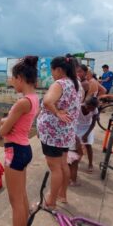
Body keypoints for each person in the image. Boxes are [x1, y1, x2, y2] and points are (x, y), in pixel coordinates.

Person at [0, 56, 39, 226]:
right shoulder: (33, 98)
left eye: (13, 78)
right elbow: (17, 123)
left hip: (14, 151)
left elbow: (3, 131)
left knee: (15, 202)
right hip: (24, 148)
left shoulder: (22, 102)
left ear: (20, 78)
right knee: (21, 196)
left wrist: (3, 123)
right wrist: (7, 121)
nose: (11, 82)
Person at [37, 55, 81, 208]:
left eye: (52, 70)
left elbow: (48, 101)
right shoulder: (76, 84)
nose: (52, 74)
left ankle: (51, 201)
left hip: (53, 134)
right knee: (63, 165)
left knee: (55, 168)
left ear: (59, 70)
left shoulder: (60, 83)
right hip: (65, 133)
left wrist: (56, 112)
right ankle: (62, 195)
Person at [76, 97, 99, 173]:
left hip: (87, 127)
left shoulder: (95, 110)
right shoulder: (78, 107)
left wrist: (86, 134)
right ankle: (76, 159)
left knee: (88, 145)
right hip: (77, 126)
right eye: (88, 107)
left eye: (92, 109)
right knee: (75, 145)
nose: (89, 110)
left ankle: (90, 164)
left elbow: (93, 124)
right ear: (85, 104)